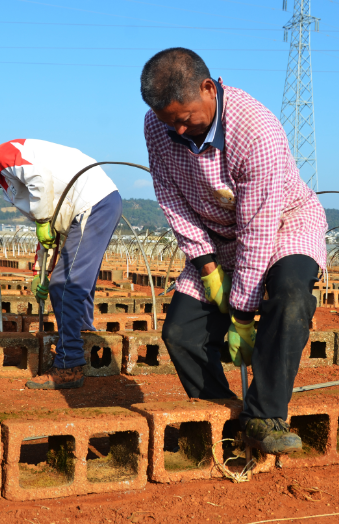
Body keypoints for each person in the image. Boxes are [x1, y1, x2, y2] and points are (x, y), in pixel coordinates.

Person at [140, 48, 328, 454]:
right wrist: (207, 268)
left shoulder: (254, 129)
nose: (178, 130)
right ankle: (220, 420)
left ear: (209, 89)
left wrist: (242, 315)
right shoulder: (159, 127)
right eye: (168, 121)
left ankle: (264, 415)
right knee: (180, 333)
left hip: (281, 226)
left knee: (291, 298)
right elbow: (169, 196)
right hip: (214, 237)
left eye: (185, 119)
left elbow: (258, 230)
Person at [0, 139, 122, 389]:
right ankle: (83, 338)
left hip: (93, 202)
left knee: (65, 285)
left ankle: (70, 366)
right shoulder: (11, 184)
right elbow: (46, 228)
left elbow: (40, 180)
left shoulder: (4, 154)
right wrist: (41, 271)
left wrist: (44, 222)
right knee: (73, 281)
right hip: (91, 207)